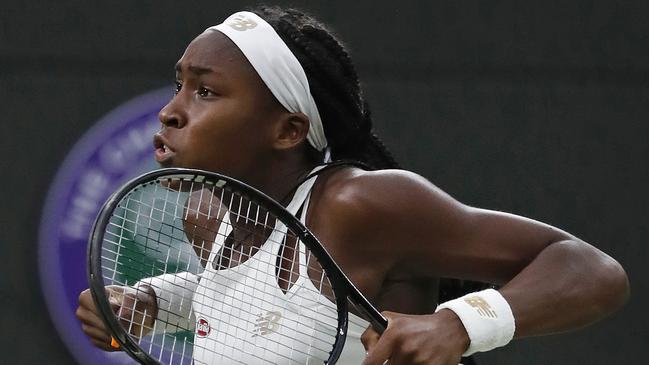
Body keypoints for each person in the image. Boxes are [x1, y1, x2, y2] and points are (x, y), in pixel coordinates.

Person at [76, 5, 629, 365]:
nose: (171, 112)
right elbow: (247, 303)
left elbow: (590, 270)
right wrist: (153, 303)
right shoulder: (208, 217)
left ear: (288, 129)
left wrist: (457, 325)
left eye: (206, 92)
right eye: (180, 86)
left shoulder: (358, 205)